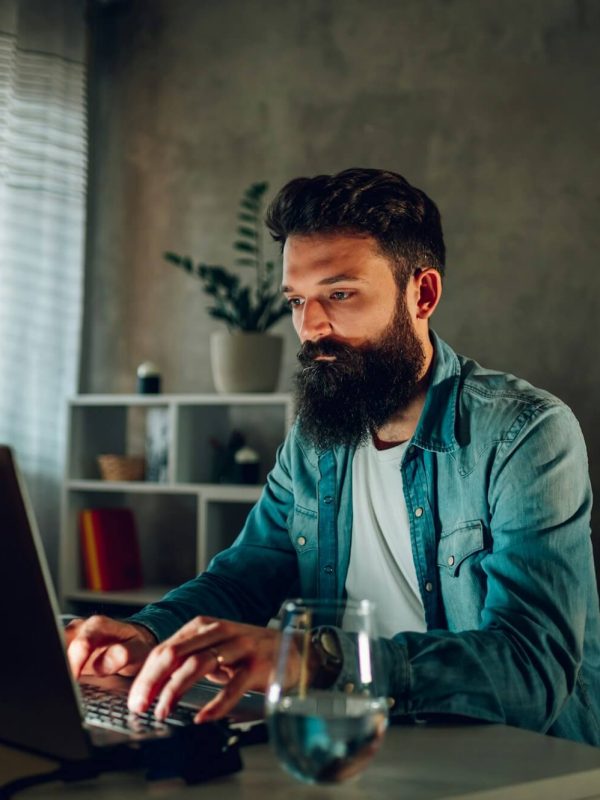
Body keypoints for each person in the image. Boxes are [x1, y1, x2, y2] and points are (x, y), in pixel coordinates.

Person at [66, 168, 600, 746]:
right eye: (297, 301)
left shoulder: (525, 433)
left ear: (422, 294)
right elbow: (244, 577)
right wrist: (145, 635)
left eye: (339, 295)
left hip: (516, 758)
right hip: (348, 740)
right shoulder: (318, 435)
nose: (310, 327)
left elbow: (531, 671)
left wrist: (315, 661)